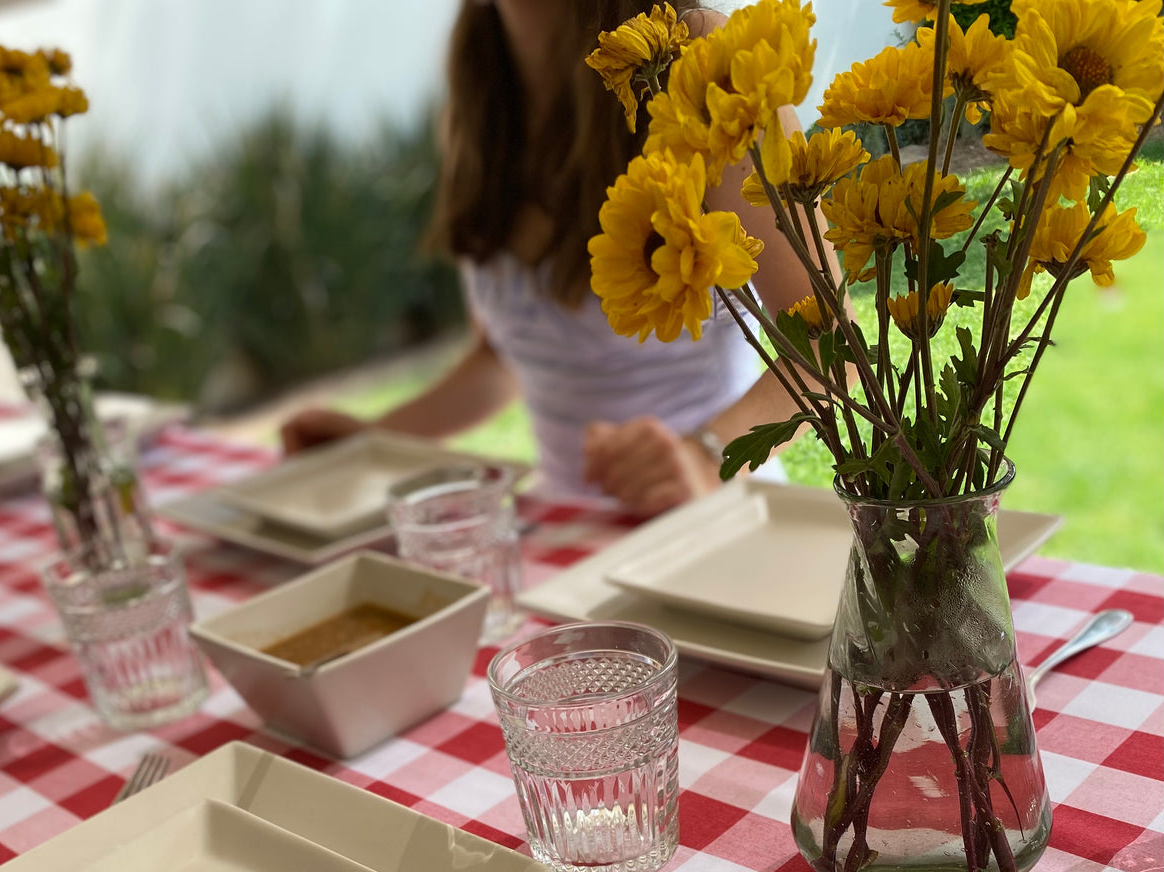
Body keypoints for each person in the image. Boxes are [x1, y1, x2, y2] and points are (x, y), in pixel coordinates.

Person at [281, 0, 826, 517]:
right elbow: (505, 360)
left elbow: (832, 346)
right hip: (561, 546)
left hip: (717, 533)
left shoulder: (707, 61)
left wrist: (708, 455)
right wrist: (372, 439)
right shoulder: (472, 105)